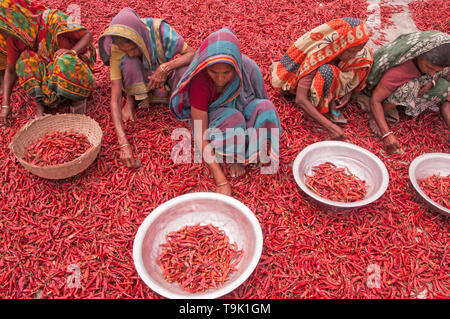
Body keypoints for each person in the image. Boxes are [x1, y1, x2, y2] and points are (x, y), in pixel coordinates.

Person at [170, 27, 281, 196]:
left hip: (244, 110)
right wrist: (220, 180)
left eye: (227, 73)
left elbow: (262, 102)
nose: (220, 79)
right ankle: (233, 156)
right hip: (220, 119)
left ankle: (255, 149)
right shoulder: (200, 80)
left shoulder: (248, 68)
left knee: (266, 108)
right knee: (233, 117)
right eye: (214, 72)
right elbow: (200, 134)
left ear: (236, 65)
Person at [98, 8, 195, 168]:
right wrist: (123, 143)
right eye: (126, 50)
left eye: (133, 48)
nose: (132, 52)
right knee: (129, 62)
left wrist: (165, 68)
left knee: (185, 72)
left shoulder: (159, 30)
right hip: (139, 79)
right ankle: (133, 99)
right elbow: (114, 98)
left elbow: (193, 53)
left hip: (166, 77)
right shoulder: (117, 47)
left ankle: (172, 97)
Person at [270, 17, 373, 140]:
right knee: (326, 72)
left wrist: (348, 90)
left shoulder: (347, 52)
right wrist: (329, 126)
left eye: (357, 50)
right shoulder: (316, 57)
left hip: (332, 68)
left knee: (366, 57)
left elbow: (357, 54)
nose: (353, 55)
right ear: (340, 44)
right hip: (301, 82)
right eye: (351, 51)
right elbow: (300, 99)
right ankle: (319, 106)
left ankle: (332, 96)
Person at [0, 0, 96, 125]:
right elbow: (11, 70)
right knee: (24, 62)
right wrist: (5, 106)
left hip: (73, 66)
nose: (4, 35)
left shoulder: (53, 18)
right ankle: (43, 106)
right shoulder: (15, 38)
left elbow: (87, 35)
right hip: (49, 71)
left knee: (64, 60)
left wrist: (72, 52)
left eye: (5, 30)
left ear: (17, 18)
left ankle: (77, 98)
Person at [360, 31, 450, 153]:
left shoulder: (442, 47)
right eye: (429, 68)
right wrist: (386, 134)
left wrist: (432, 81)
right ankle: (376, 116)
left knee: (445, 87)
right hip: (379, 89)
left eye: (436, 70)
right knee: (409, 87)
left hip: (416, 81)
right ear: (419, 55)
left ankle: (402, 103)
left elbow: (438, 73)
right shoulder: (401, 70)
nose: (431, 72)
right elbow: (375, 100)